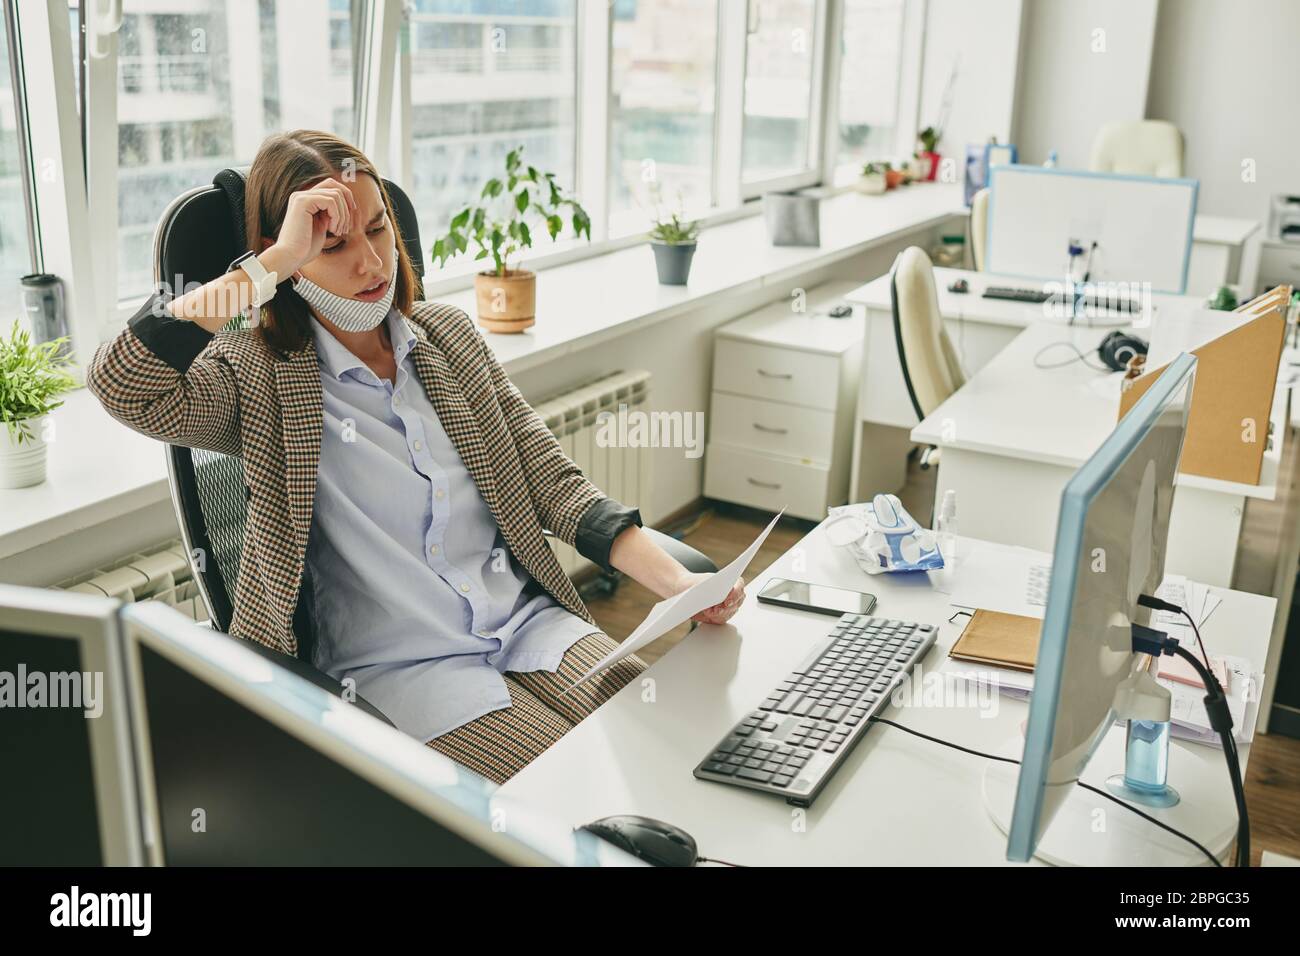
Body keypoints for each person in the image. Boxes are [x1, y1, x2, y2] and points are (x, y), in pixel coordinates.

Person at [86, 129, 744, 784]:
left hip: (529, 625)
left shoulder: (448, 338)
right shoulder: (256, 373)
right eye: (333, 244)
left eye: (377, 229)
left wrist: (679, 586)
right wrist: (275, 261)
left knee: (679, 751)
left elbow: (555, 485)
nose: (372, 264)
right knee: (582, 797)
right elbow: (122, 384)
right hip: (406, 672)